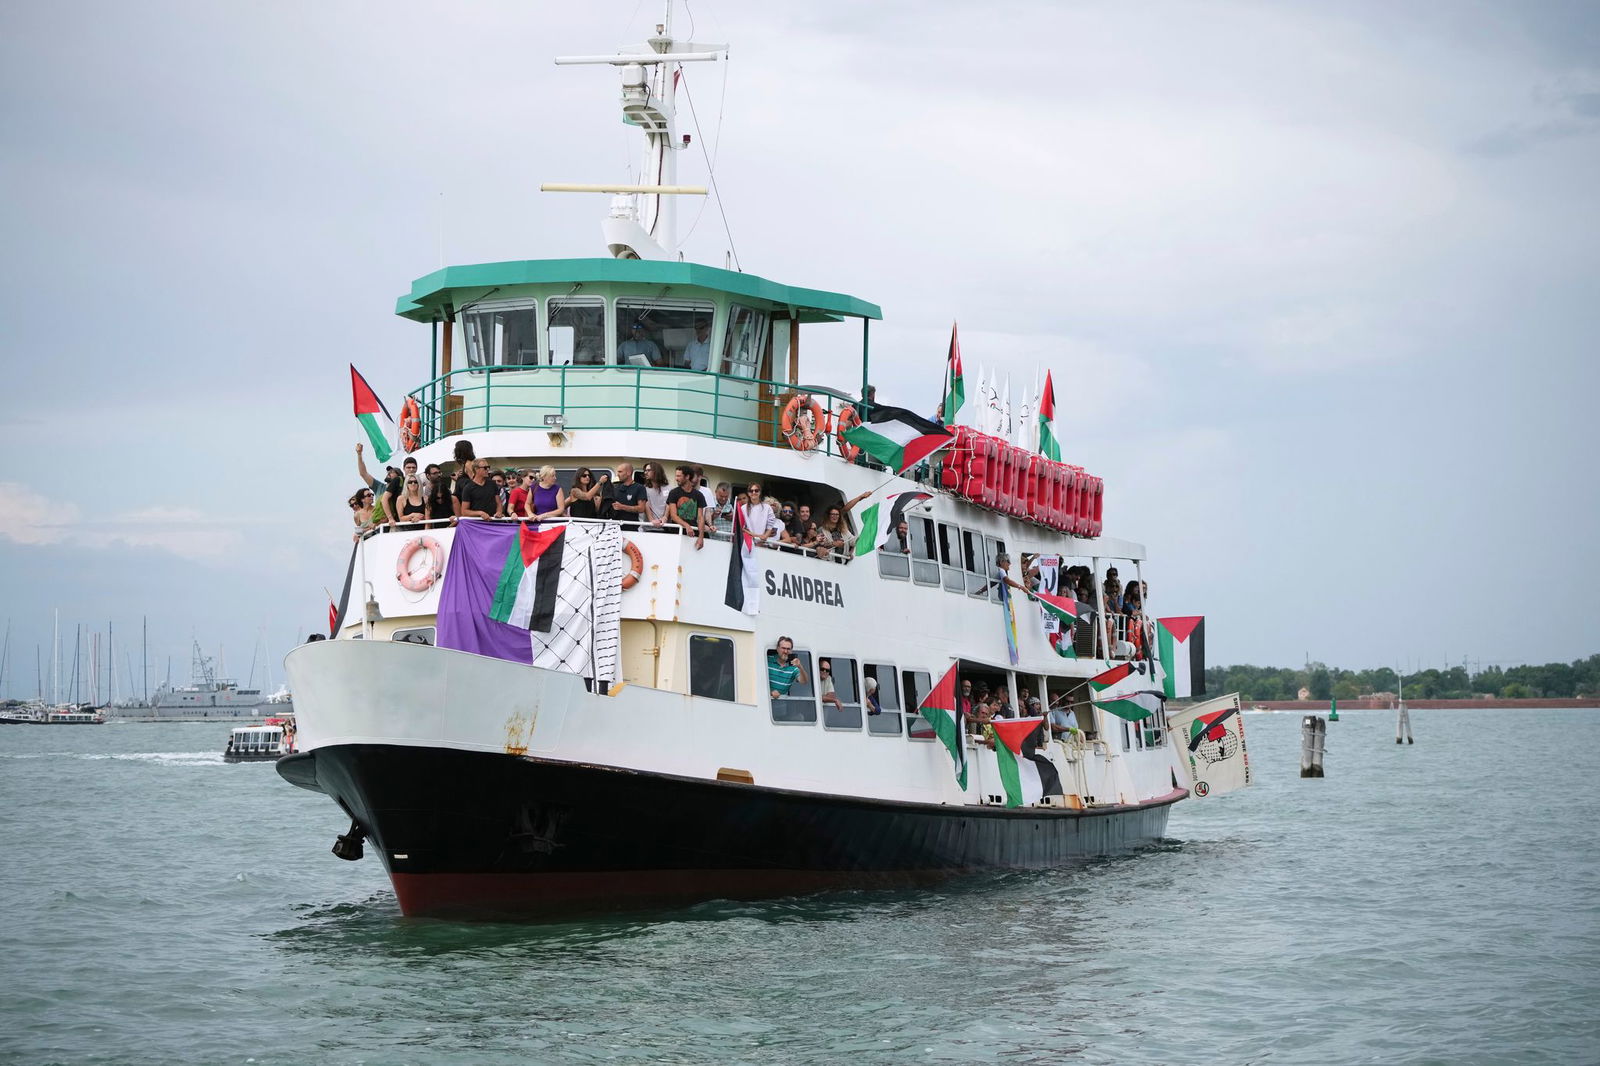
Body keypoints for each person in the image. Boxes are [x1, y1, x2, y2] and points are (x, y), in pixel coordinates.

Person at [666, 464, 707, 549]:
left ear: (687, 476)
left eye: (679, 476)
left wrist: (701, 537)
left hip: (693, 534)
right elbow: (673, 516)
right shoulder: (673, 493)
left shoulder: (699, 495)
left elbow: (700, 517)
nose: (676, 478)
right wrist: (687, 526)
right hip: (676, 533)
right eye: (676, 476)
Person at [739, 481, 779, 546]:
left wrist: (764, 536)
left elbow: (770, 525)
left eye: (756, 490)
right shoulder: (743, 508)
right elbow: (742, 527)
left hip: (763, 543)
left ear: (760, 492)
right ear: (748, 493)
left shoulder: (767, 507)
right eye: (751, 491)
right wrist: (757, 536)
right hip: (747, 542)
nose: (753, 492)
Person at [608, 461, 647, 526]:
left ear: (628, 473)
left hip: (631, 527)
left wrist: (622, 507)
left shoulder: (640, 488)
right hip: (614, 527)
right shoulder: (615, 487)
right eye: (618, 472)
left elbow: (641, 508)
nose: (617, 474)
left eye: (620, 472)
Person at [640, 461, 671, 531]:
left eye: (648, 470)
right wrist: (652, 520)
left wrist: (665, 517)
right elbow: (646, 504)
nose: (645, 472)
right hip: (648, 528)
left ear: (656, 471)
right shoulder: (644, 489)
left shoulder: (669, 488)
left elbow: (668, 504)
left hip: (665, 528)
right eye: (645, 471)